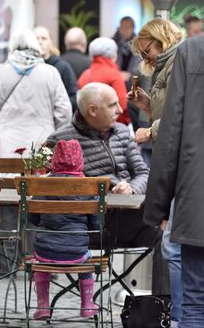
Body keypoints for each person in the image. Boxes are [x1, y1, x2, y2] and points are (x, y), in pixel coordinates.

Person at [46, 83, 168, 295]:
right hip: (87, 228)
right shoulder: (61, 140)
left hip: (128, 222)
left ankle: (162, 303)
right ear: (93, 110)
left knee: (168, 231)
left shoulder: (121, 132)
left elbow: (144, 173)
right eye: (113, 105)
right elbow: (53, 186)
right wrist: (103, 191)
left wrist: (130, 188)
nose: (121, 110)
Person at [144, 34, 204, 328]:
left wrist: (158, 206)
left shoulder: (192, 50)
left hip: (198, 200)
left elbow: (171, 135)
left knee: (195, 304)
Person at [129, 18, 182, 326]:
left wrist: (149, 132)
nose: (143, 57)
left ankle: (179, 316)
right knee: (172, 244)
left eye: (144, 49)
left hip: (181, 164)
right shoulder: (165, 64)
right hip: (172, 161)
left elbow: (186, 114)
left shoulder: (179, 62)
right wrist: (147, 105)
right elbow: (169, 111)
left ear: (160, 39)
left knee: (172, 245)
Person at [29, 139, 99, 320]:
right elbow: (96, 225)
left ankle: (43, 307)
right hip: (77, 251)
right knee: (86, 260)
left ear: (54, 160)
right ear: (80, 160)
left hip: (44, 250)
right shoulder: (88, 186)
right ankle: (87, 305)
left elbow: (32, 219)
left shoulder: (43, 184)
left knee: (40, 263)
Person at [0, 29, 71, 158]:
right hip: (41, 140)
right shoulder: (51, 73)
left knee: (2, 177)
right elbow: (64, 112)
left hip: (4, 143)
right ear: (35, 45)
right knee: (37, 176)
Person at [77, 37, 131, 125]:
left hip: (87, 125)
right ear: (113, 55)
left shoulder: (84, 75)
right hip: (109, 127)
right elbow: (122, 106)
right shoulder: (114, 75)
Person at [34, 25, 78, 112]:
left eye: (44, 38)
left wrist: (57, 109)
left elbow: (73, 97)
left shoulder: (62, 67)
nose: (40, 42)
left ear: (50, 42)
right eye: (36, 38)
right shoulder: (25, 67)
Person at [112, 16, 141, 81]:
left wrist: (131, 75)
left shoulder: (139, 44)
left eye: (127, 28)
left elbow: (140, 65)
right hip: (116, 78)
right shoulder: (113, 43)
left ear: (133, 28)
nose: (124, 30)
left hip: (133, 80)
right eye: (122, 27)